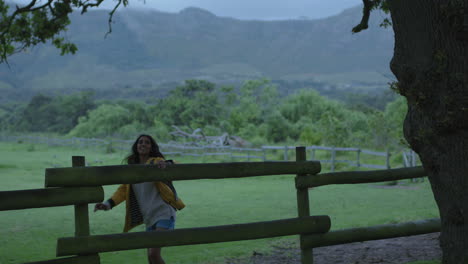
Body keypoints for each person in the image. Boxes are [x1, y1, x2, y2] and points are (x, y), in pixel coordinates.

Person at [94, 134, 176, 264]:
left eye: (147, 142)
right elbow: (122, 191)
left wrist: (165, 163)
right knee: (150, 258)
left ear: (151, 147)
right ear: (136, 146)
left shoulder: (155, 162)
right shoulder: (132, 169)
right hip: (149, 217)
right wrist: (107, 204)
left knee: (154, 254)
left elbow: (171, 163)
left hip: (163, 213)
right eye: (140, 142)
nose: (143, 144)